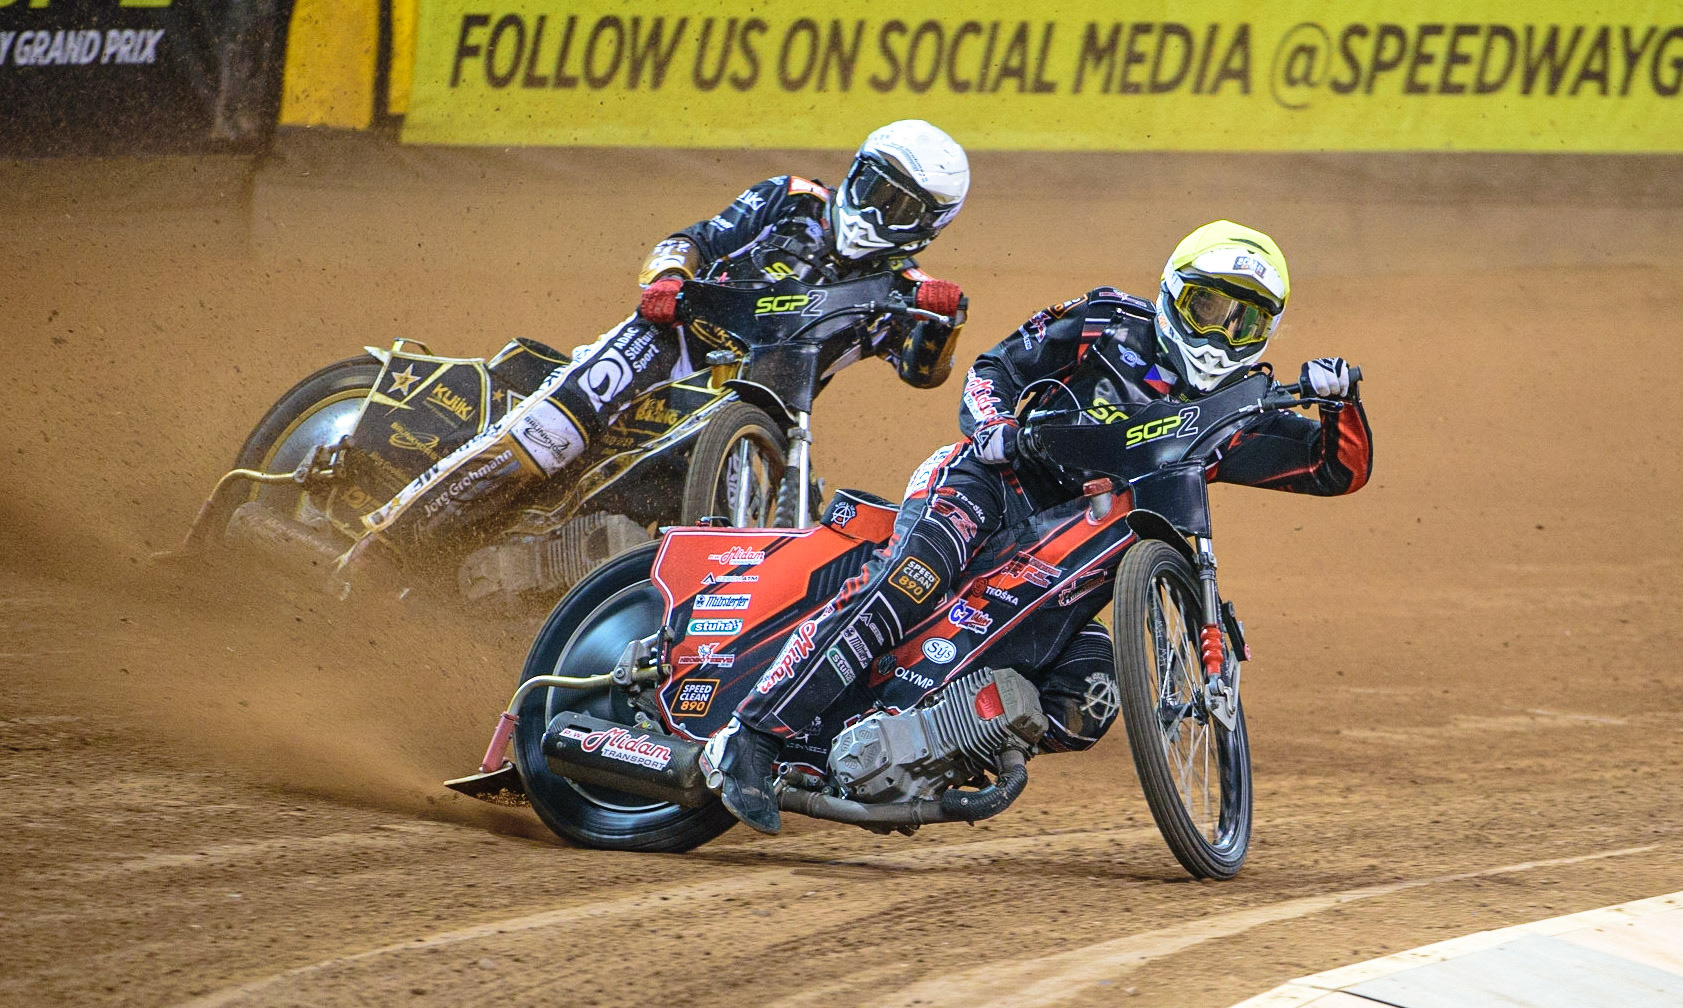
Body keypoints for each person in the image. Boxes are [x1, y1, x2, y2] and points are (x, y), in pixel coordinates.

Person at [703, 220, 1374, 834]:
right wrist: (993, 428)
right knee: (911, 580)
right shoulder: (1105, 320)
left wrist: (1342, 403)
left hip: (1068, 565)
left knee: (1093, 687)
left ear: (1268, 330)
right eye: (1207, 308)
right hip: (990, 485)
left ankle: (924, 750)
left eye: (1244, 321)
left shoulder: (1236, 410)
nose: (1219, 334)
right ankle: (751, 739)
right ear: (1173, 295)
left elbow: (1334, 469)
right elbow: (993, 369)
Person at [351, 119, 971, 557]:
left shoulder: (902, 290)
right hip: (669, 343)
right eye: (871, 187)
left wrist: (945, 324)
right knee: (551, 432)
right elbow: (694, 239)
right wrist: (669, 280)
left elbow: (921, 372)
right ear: (854, 171)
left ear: (928, 225)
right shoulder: (792, 199)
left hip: (759, 403)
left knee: (792, 523)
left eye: (899, 205)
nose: (873, 210)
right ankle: (379, 543)